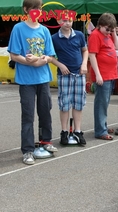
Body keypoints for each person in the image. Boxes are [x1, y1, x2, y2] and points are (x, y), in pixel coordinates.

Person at [7, 0, 58, 165]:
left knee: (45, 112)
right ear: (26, 10)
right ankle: (28, 150)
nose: (37, 11)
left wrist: (39, 61)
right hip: (26, 81)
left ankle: (46, 141)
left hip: (43, 79)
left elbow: (50, 56)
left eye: (39, 8)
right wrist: (29, 61)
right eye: (33, 8)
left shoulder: (44, 30)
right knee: (28, 116)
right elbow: (14, 55)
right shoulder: (18, 29)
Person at [51, 15, 88, 146]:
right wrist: (60, 65)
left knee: (78, 103)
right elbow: (50, 57)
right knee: (64, 104)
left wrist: (84, 64)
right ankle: (64, 131)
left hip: (79, 74)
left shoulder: (79, 35)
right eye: (64, 20)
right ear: (58, 21)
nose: (67, 23)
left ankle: (78, 131)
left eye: (70, 20)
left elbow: (85, 50)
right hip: (64, 75)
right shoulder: (54, 38)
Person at [88, 13, 118, 140]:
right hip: (103, 74)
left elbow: (117, 46)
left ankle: (103, 126)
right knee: (101, 102)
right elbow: (92, 55)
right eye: (107, 29)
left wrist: (114, 33)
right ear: (100, 25)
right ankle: (100, 130)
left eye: (110, 30)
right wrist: (98, 75)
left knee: (105, 102)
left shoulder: (107, 34)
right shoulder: (95, 35)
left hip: (110, 73)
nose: (108, 32)